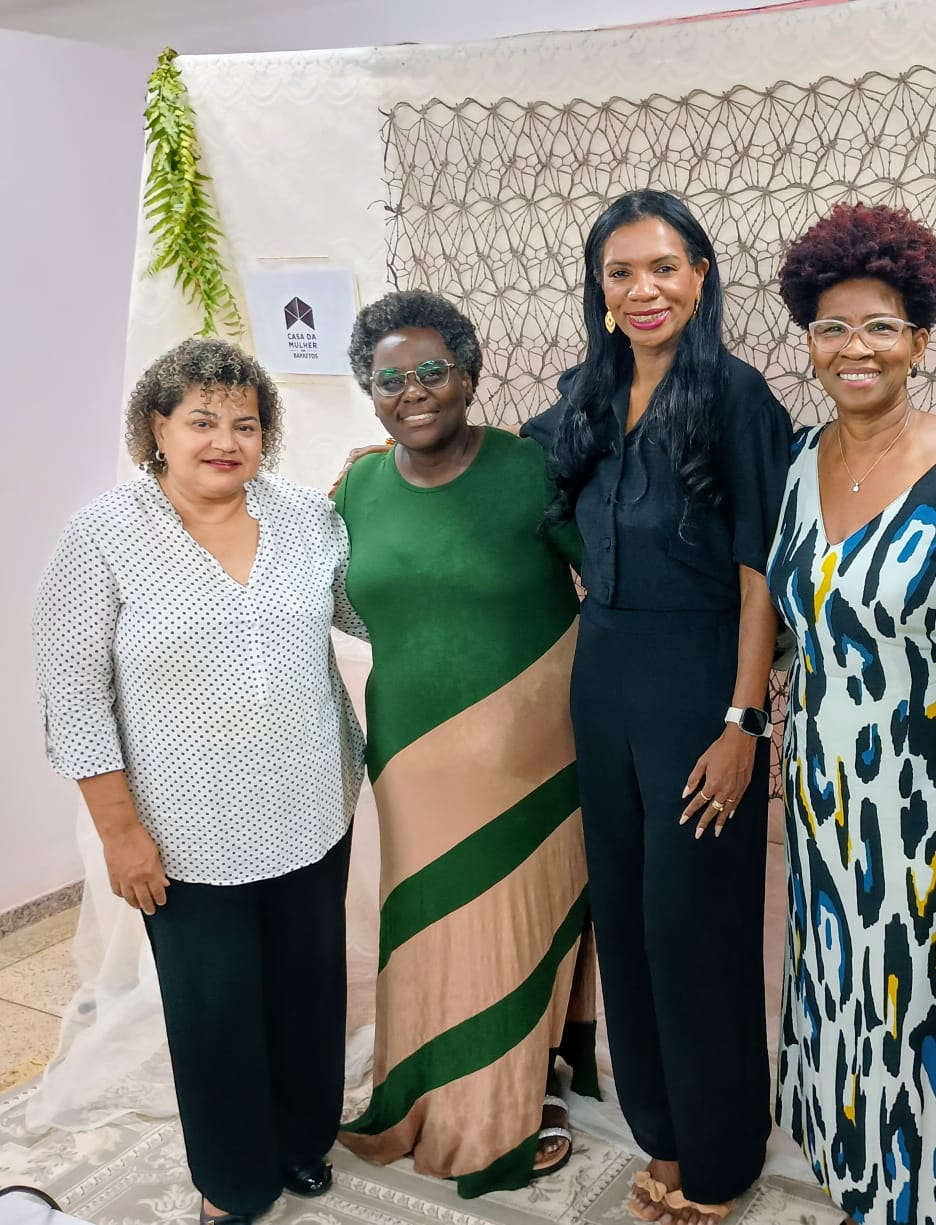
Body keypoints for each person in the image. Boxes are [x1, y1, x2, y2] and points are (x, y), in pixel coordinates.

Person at [33, 339, 365, 1225]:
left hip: (311, 806)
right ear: (158, 427)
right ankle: (234, 1177)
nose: (226, 440)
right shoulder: (104, 534)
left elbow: (369, 607)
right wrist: (119, 831)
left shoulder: (307, 518)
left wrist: (395, 497)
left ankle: (302, 1142)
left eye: (245, 424)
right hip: (185, 830)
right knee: (214, 1010)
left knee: (306, 991)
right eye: (203, 420)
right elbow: (72, 690)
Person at [524, 189, 792, 1225]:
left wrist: (745, 721)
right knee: (628, 917)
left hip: (701, 681)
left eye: (665, 267)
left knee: (696, 921)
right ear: (599, 290)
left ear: (701, 278)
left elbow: (760, 569)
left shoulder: (737, 396)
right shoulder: (581, 396)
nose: (645, 290)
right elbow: (517, 479)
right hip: (605, 678)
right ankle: (664, 1133)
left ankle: (719, 1153)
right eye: (622, 272)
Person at [766, 203, 936, 1225]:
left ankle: (934, 1204)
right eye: (832, 328)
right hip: (827, 806)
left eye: (879, 326)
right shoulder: (794, 464)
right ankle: (861, 1187)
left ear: (920, 340)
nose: (854, 348)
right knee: (840, 1001)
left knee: (922, 1020)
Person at [332, 290, 598, 1194]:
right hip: (409, 759)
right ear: (369, 391)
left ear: (470, 376)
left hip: (531, 762)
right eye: (389, 377)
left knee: (512, 934)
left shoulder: (530, 468)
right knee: (427, 928)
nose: (412, 392)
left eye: (431, 371)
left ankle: (519, 1098)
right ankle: (419, 1090)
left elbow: (612, 575)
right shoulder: (356, 487)